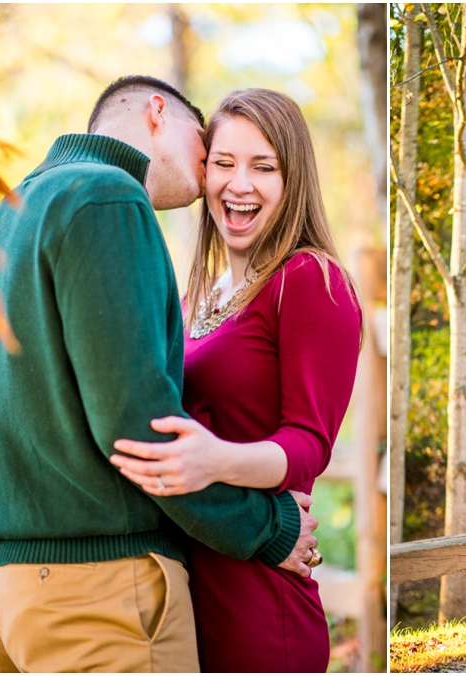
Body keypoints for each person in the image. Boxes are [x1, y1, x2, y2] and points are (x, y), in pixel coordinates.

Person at [0, 76, 319, 674]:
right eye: (208, 152)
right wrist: (267, 527)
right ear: (156, 112)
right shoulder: (110, 196)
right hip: (93, 593)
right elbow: (139, 429)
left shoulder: (5, 216)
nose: (209, 180)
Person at [108, 89, 362, 672]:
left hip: (257, 600)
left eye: (263, 166)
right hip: (176, 591)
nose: (238, 184)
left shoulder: (310, 280)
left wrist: (214, 460)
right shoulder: (195, 294)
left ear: (292, 179)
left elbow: (308, 446)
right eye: (223, 163)